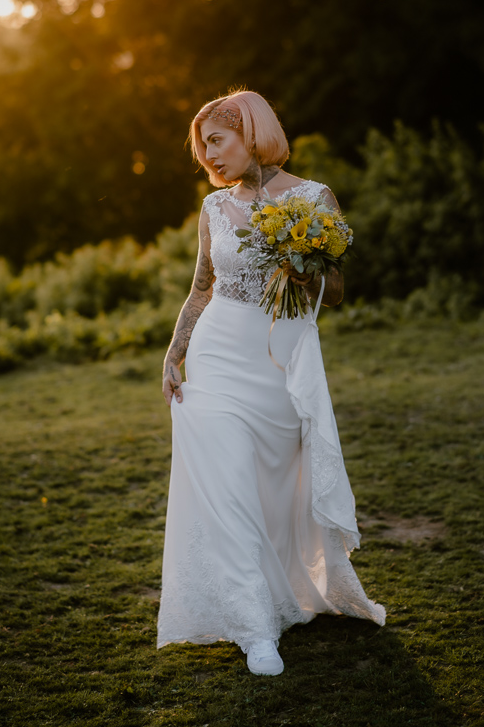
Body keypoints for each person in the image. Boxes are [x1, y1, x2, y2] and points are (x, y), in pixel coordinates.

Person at [157, 90, 385, 675]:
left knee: (272, 494)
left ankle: (287, 594)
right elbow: (203, 286)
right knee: (227, 489)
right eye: (201, 148)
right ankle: (255, 630)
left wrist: (307, 257)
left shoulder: (312, 199)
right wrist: (175, 349)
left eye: (217, 142)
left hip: (277, 368)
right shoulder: (213, 209)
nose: (209, 158)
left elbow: (333, 295)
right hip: (213, 363)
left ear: (253, 133)